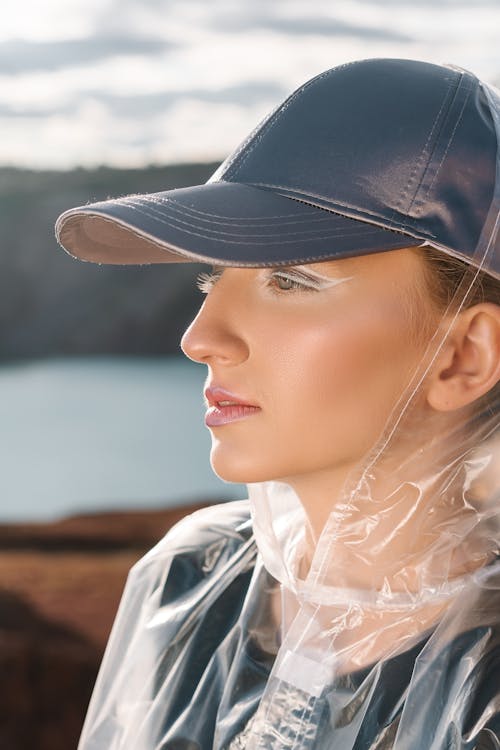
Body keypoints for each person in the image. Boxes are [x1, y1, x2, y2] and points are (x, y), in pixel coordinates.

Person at [56, 59, 500, 749]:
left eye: (290, 281)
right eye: (212, 278)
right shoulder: (188, 584)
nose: (200, 339)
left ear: (463, 355)